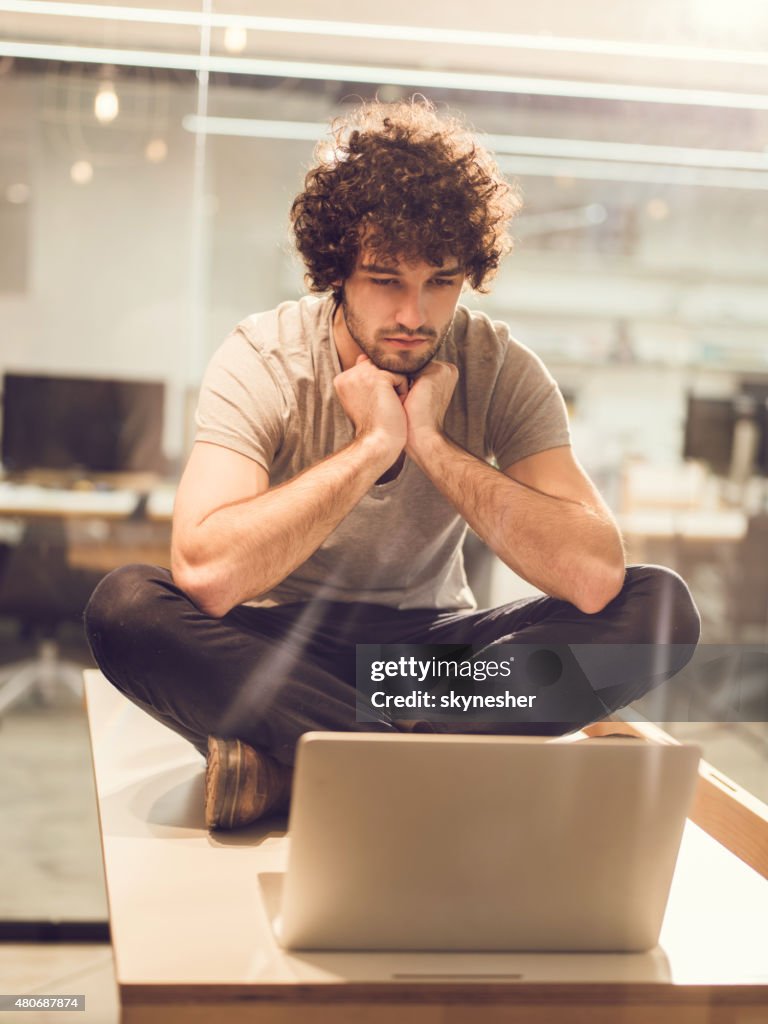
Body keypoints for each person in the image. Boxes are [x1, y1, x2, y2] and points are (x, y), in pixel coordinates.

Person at [84, 99, 700, 830]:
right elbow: (208, 574)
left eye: (440, 281)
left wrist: (432, 445)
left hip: (425, 670)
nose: (415, 314)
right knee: (125, 607)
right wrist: (372, 446)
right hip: (278, 650)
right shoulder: (264, 357)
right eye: (385, 279)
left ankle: (299, 759)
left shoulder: (499, 367)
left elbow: (595, 576)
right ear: (335, 270)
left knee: (659, 608)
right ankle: (429, 763)